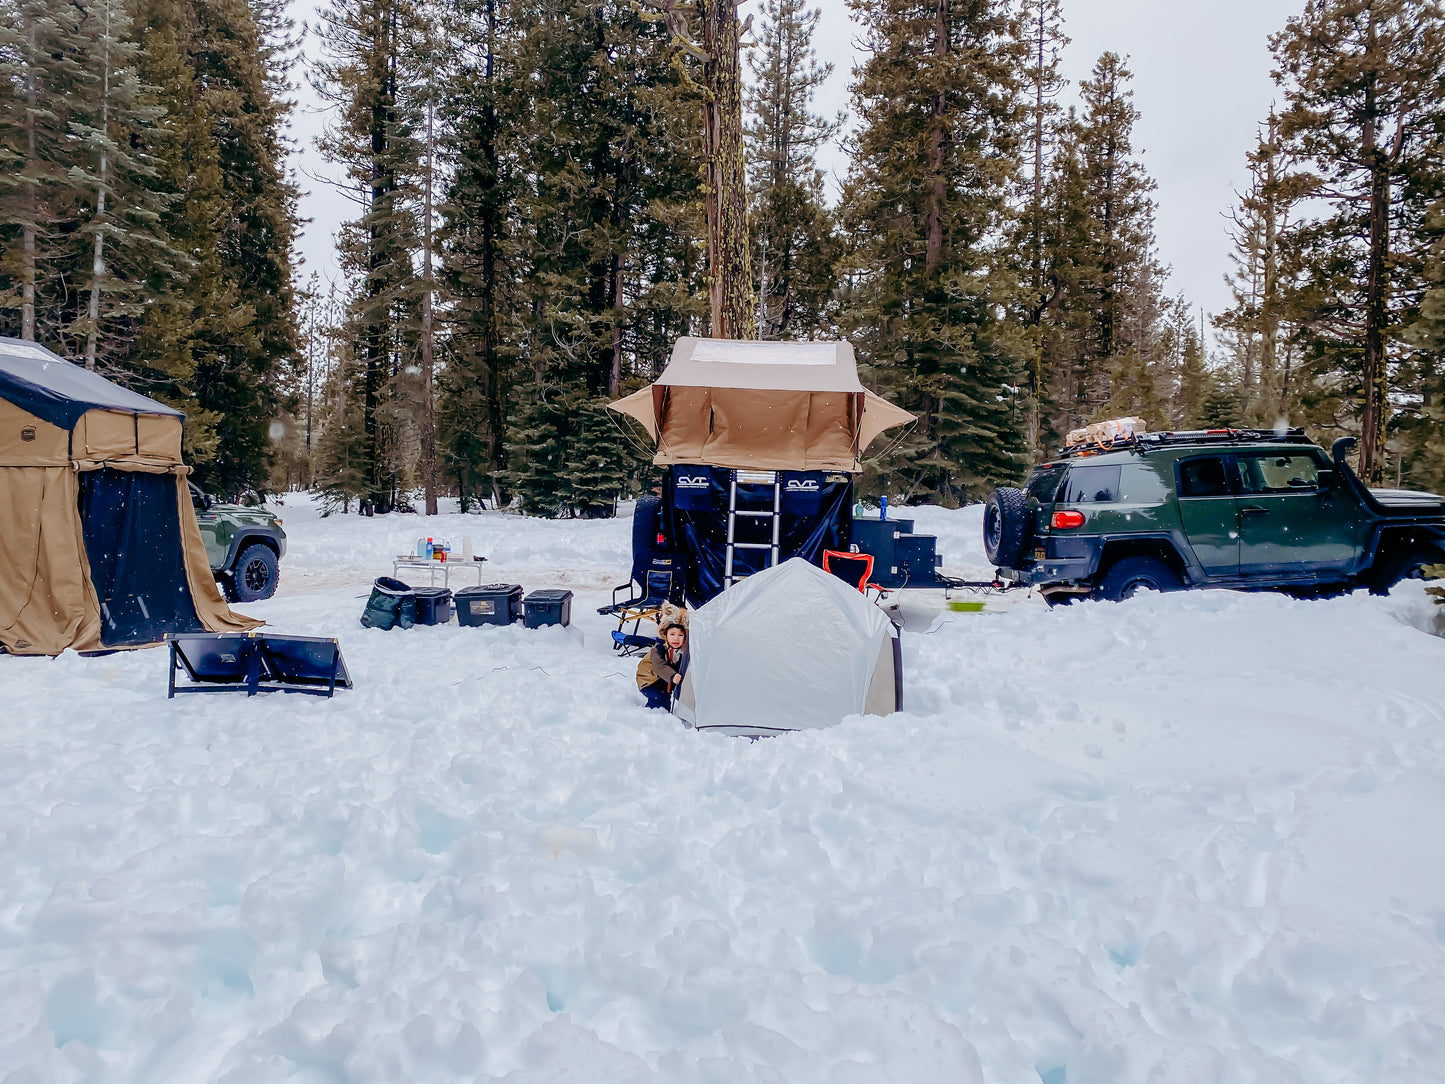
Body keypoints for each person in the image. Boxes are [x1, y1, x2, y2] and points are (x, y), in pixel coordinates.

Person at [636, 621, 687, 710]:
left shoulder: (683, 652)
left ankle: (664, 714)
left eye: (680, 635)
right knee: (658, 698)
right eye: (672, 634)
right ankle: (650, 713)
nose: (676, 638)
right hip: (649, 681)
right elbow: (659, 666)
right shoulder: (658, 650)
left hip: (664, 682)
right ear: (665, 636)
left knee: (665, 701)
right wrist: (672, 675)